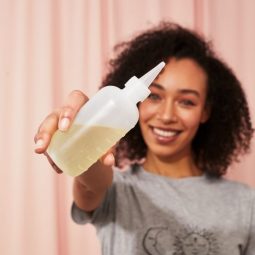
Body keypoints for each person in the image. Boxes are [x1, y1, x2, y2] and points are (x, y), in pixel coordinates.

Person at [34, 22, 254, 254]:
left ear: (205, 111)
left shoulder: (245, 204)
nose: (167, 115)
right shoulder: (116, 191)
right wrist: (81, 133)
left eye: (186, 101)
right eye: (155, 97)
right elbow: (91, 182)